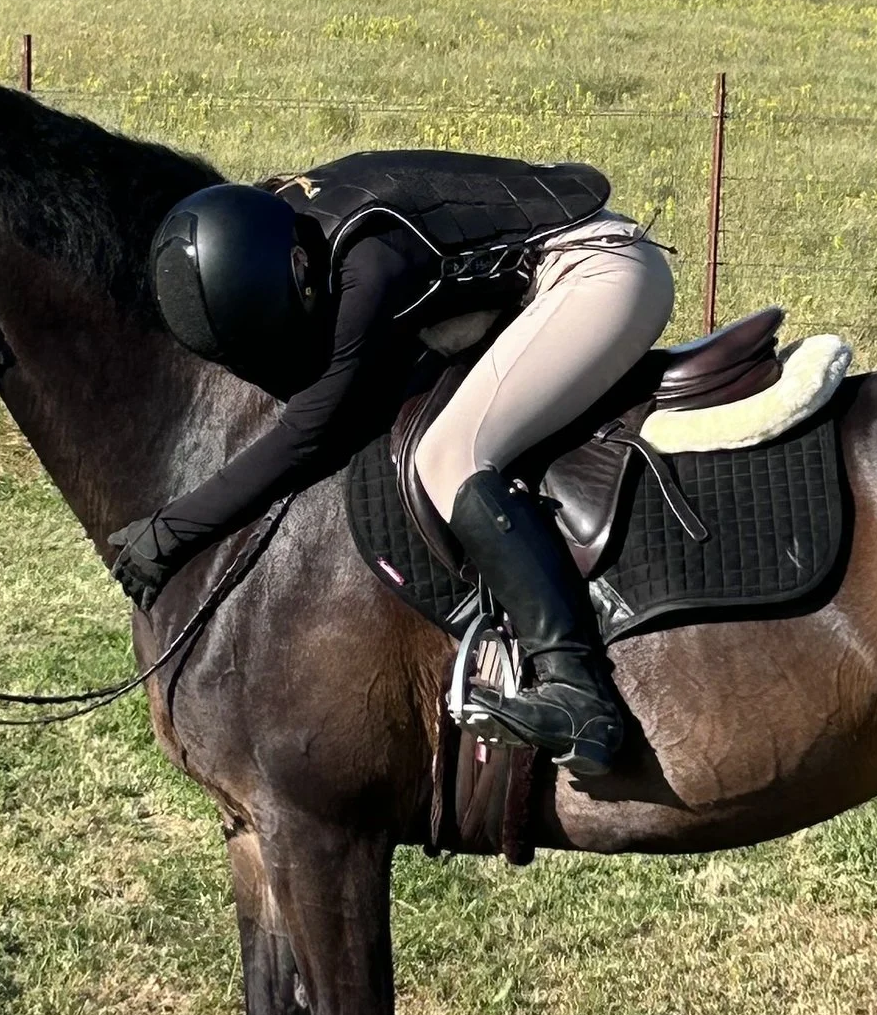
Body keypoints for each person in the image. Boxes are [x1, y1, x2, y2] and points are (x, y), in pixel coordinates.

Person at [105, 148, 675, 774]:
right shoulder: (282, 218)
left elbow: (310, 432)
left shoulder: (370, 266)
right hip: (548, 272)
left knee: (452, 455)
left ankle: (578, 694)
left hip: (599, 273)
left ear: (297, 270)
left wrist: (173, 529)